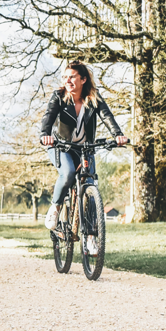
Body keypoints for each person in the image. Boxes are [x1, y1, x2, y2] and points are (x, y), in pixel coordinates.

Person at [39, 60, 128, 251]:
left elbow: (107, 116)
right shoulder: (59, 97)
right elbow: (48, 117)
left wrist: (117, 135)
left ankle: (90, 237)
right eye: (65, 77)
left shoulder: (93, 98)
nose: (67, 80)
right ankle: (55, 208)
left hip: (85, 149)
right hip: (61, 146)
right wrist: (45, 135)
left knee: (91, 188)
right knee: (69, 172)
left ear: (83, 79)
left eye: (72, 77)